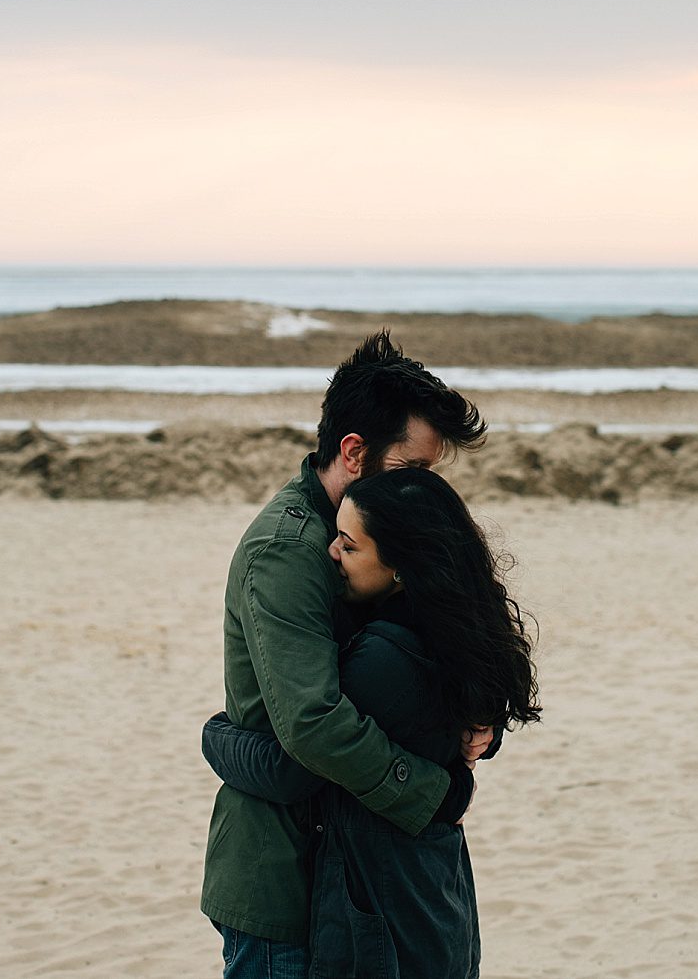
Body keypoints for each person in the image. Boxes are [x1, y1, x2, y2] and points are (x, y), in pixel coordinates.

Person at [201, 331, 490, 977]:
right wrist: (430, 790)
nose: (421, 492)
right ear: (354, 452)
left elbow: (446, 650)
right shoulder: (290, 549)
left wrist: (478, 722)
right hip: (285, 886)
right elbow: (312, 726)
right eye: (410, 471)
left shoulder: (388, 549)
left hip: (366, 885)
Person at [203, 468, 541, 978]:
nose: (332, 554)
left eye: (349, 545)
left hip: (384, 912)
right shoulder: (462, 636)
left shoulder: (380, 660)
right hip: (436, 898)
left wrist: (215, 736)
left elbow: (291, 768)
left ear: (401, 566)